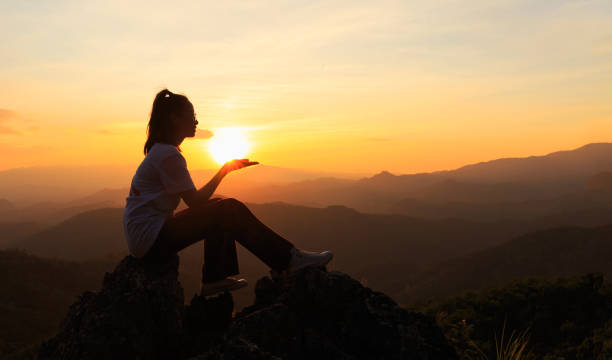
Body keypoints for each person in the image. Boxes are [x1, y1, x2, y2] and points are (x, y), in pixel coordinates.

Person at [122, 89, 333, 296]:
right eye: (192, 116)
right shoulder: (168, 154)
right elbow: (194, 201)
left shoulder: (163, 150)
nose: (196, 122)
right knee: (227, 209)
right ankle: (289, 260)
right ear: (175, 119)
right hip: (150, 240)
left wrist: (225, 170)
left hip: (147, 237)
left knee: (220, 203)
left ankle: (215, 278)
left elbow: (196, 201)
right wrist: (224, 171)